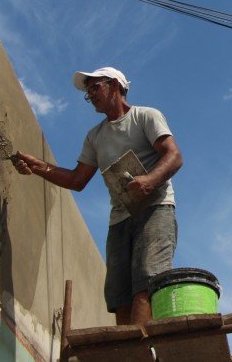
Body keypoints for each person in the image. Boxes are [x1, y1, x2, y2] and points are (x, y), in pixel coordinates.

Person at [14, 67, 182, 327]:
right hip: (120, 218)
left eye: (95, 87)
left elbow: (174, 156)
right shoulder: (95, 137)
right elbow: (76, 180)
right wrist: (39, 167)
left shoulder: (145, 116)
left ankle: (139, 349)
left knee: (147, 279)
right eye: (87, 92)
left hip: (155, 209)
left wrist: (149, 181)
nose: (90, 95)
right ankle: (126, 349)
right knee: (119, 292)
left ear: (115, 85)